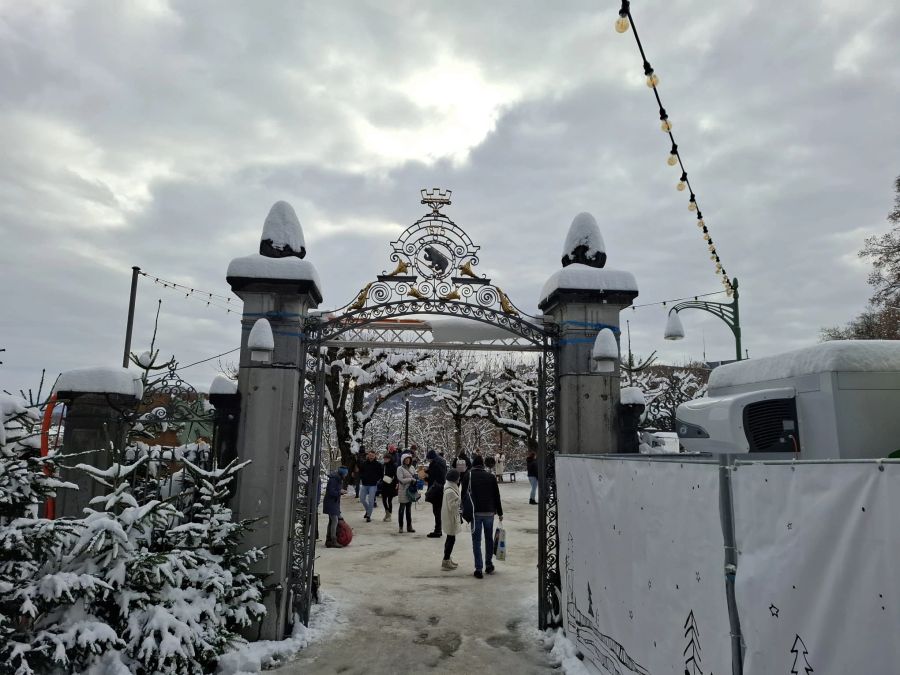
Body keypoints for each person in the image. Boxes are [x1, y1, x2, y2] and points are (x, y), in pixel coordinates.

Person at [462, 455, 503, 578]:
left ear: (473, 464)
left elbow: (463, 494)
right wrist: (500, 512)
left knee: (476, 540)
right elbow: (497, 495)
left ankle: (478, 568)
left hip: (475, 512)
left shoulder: (468, 476)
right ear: (483, 465)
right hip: (489, 512)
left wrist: (464, 510)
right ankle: (489, 564)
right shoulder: (490, 477)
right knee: (489, 539)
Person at [440, 469, 462, 570]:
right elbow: (452, 506)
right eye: (458, 477)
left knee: (450, 539)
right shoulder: (450, 491)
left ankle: (447, 559)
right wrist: (460, 501)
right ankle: (446, 560)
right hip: (450, 518)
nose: (459, 478)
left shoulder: (450, 487)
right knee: (451, 540)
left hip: (450, 517)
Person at [324, 466, 348, 548]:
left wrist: (340, 492)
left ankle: (329, 540)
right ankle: (333, 540)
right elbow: (331, 491)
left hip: (333, 502)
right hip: (331, 502)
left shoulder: (338, 478)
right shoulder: (334, 479)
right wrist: (340, 492)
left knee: (331, 521)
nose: (346, 475)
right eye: (346, 473)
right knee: (335, 520)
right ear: (342, 473)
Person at [424, 449, 447, 538]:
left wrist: (426, 475)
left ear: (432, 458)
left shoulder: (436, 464)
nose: (429, 461)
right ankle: (438, 529)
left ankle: (438, 530)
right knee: (437, 510)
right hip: (440, 488)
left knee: (436, 510)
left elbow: (434, 477)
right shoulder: (440, 462)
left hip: (437, 489)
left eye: (429, 459)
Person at [358, 448, 382, 522]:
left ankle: (368, 515)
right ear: (368, 456)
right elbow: (360, 472)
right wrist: (362, 477)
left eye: (372, 455)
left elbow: (381, 474)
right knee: (362, 499)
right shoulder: (364, 463)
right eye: (370, 455)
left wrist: (376, 479)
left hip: (373, 485)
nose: (371, 456)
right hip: (364, 484)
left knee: (371, 500)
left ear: (375, 456)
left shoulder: (378, 464)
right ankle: (368, 510)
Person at [395, 453, 416, 533]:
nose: (407, 460)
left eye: (409, 459)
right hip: (403, 491)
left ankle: (409, 526)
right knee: (401, 509)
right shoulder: (399, 468)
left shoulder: (412, 468)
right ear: (403, 460)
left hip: (410, 491)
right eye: (406, 459)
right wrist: (411, 479)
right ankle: (401, 526)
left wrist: (415, 479)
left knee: (409, 510)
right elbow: (401, 480)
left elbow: (415, 477)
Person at [381, 451, 397, 522]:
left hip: (391, 485)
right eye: (384, 458)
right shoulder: (383, 465)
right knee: (384, 500)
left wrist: (395, 483)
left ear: (390, 459)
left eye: (386, 458)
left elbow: (396, 476)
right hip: (384, 484)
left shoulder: (394, 465)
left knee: (389, 500)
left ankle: (389, 514)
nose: (385, 460)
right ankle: (387, 513)